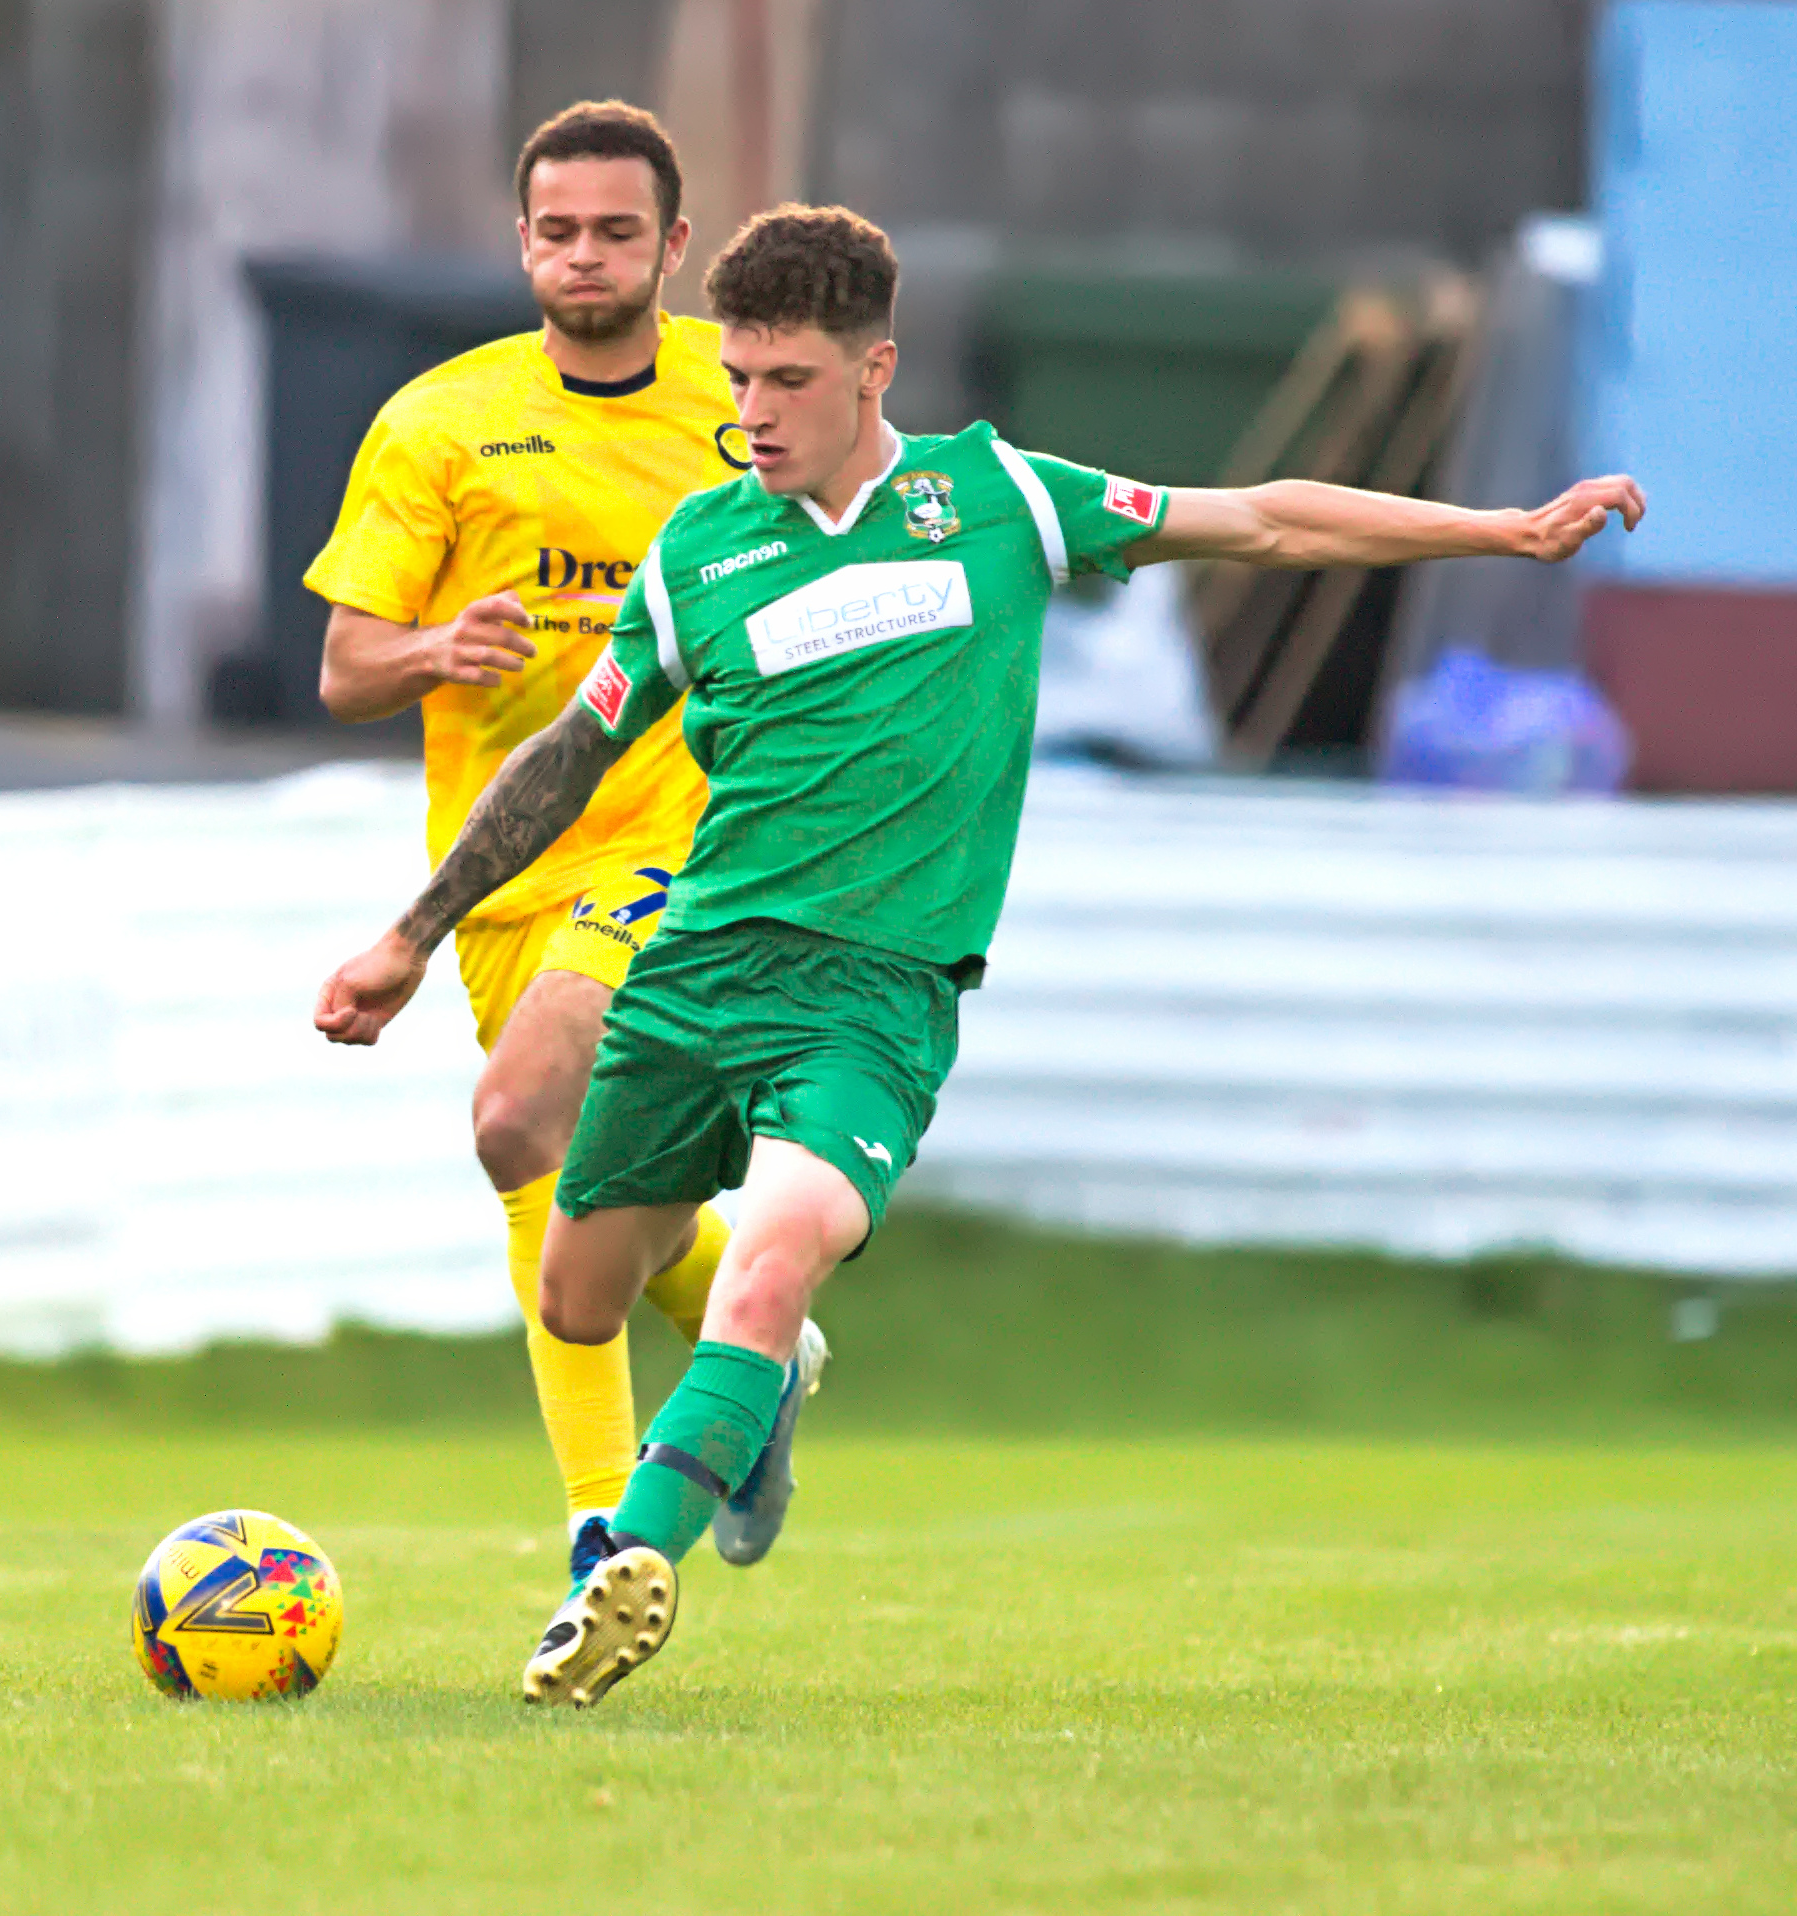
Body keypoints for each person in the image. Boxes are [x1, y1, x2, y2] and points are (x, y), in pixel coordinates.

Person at [315, 204, 1646, 1708]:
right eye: (740, 378)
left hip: (874, 999)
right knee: (576, 1293)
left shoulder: (998, 495)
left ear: (874, 371)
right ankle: (758, 1406)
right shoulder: (699, 552)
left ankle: (630, 1566)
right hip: (694, 973)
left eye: (789, 382)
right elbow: (568, 752)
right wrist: (413, 933)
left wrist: (1507, 528)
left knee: (773, 1253)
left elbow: (1259, 516)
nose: (751, 413)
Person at [305, 103, 827, 1584]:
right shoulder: (437, 422)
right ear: (521, 240)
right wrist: (434, 651)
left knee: (523, 1122)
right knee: (544, 1158)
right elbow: (348, 666)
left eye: (616, 231)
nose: (584, 255)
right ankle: (759, 1340)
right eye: (558, 229)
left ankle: (607, 1524)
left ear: (672, 247)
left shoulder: (745, 419)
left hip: (694, 841)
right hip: (503, 871)